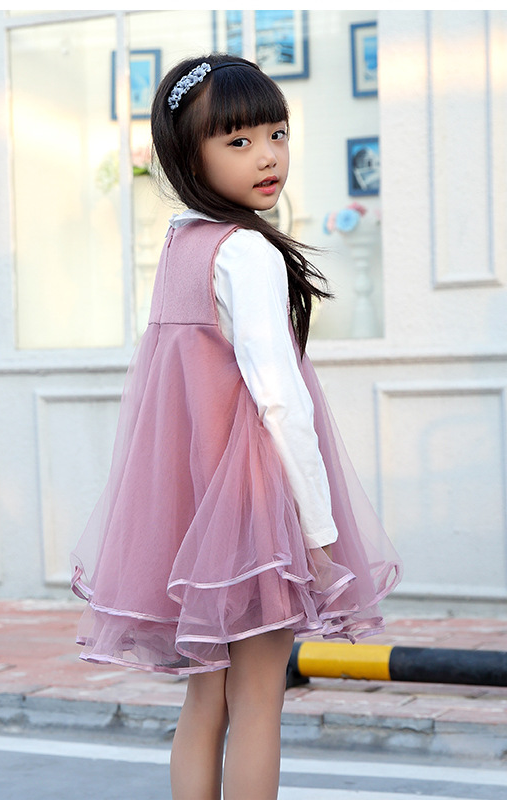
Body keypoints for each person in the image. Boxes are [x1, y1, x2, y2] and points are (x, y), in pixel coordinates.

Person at [70, 53, 402, 799]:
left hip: (195, 509)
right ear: (191, 157)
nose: (268, 156)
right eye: (239, 141)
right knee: (257, 701)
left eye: (277, 134)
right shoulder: (245, 250)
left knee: (206, 698)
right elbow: (280, 400)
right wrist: (318, 531)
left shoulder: (181, 244)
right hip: (253, 511)